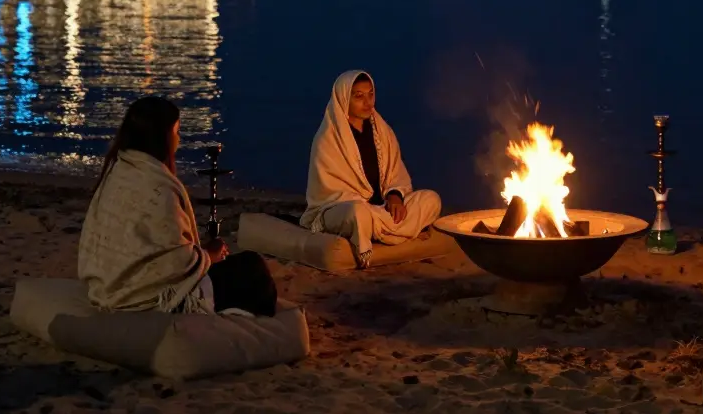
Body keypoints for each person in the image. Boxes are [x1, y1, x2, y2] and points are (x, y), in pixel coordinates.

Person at [78, 96, 277, 316]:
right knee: (253, 267)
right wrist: (209, 255)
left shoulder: (119, 170)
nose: (178, 140)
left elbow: (155, 249)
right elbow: (175, 264)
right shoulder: (156, 187)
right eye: (176, 132)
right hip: (145, 296)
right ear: (162, 137)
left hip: (107, 286)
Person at [299, 70, 442, 268]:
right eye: (359, 96)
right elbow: (328, 192)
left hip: (379, 210)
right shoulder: (327, 140)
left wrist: (394, 195)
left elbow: (396, 173)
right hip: (343, 209)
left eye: (371, 94)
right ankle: (390, 233)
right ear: (343, 99)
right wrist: (365, 206)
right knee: (358, 213)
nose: (368, 102)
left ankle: (381, 231)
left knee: (431, 199)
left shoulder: (382, 132)